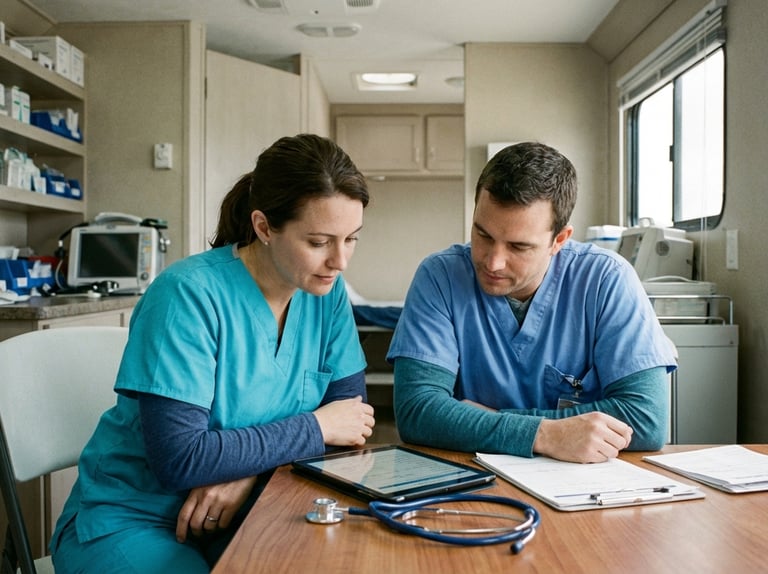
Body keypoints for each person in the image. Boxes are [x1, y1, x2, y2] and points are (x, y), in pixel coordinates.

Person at [51, 134, 376, 573]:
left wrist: (244, 475)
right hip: (135, 518)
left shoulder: (325, 294)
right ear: (263, 227)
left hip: (254, 503)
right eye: (319, 242)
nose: (340, 261)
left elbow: (351, 427)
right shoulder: (187, 295)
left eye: (351, 239)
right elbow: (182, 459)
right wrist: (317, 426)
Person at [387, 141, 676, 464]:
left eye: (518, 247)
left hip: (582, 482)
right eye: (483, 235)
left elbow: (646, 419)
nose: (493, 262)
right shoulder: (440, 277)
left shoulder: (606, 279)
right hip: (473, 479)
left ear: (559, 240)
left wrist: (487, 420)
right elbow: (418, 411)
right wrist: (544, 434)